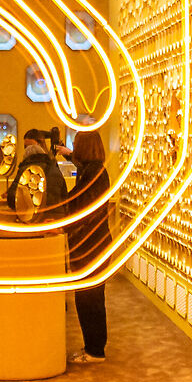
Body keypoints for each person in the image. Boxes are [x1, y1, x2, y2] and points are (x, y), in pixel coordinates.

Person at [66, 130, 112, 364]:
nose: (72, 147)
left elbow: (79, 205)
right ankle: (92, 347)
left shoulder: (92, 174)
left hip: (91, 246)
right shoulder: (93, 171)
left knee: (89, 300)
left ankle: (95, 350)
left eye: (75, 144)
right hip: (94, 244)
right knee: (89, 299)